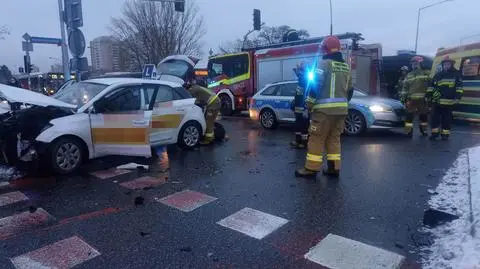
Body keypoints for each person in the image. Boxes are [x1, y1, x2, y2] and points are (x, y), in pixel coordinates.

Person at [295, 36, 353, 178]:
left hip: (323, 112)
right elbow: (350, 89)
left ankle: (311, 168)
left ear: (326, 48)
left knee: (316, 138)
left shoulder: (324, 63)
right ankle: (334, 168)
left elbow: (316, 86)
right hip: (341, 111)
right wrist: (343, 105)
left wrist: (308, 105)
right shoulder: (346, 66)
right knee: (334, 139)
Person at [427, 56, 463, 140]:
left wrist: (458, 97)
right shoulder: (438, 74)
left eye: (448, 64)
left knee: (446, 120)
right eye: (445, 64)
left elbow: (459, 88)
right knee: (434, 119)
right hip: (437, 101)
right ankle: (434, 133)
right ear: (443, 65)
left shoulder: (456, 74)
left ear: (451, 64)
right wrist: (428, 95)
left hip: (448, 102)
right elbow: (431, 86)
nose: (446, 65)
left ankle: (445, 134)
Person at [401, 56, 431, 137]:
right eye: (413, 63)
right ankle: (408, 132)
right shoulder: (409, 74)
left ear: (421, 63)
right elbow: (405, 87)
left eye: (416, 63)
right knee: (409, 117)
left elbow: (431, 85)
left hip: (422, 99)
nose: (414, 65)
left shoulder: (427, 73)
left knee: (423, 117)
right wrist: (403, 98)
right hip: (411, 99)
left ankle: (424, 131)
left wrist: (429, 95)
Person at [184, 79, 221, 145]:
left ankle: (208, 140)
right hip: (215, 102)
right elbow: (200, 99)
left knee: (208, 121)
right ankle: (212, 137)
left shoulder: (192, 90)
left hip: (213, 104)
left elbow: (188, 98)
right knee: (209, 120)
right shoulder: (196, 87)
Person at [290, 62, 309, 149]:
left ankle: (304, 143)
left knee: (304, 125)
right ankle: (298, 141)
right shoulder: (301, 82)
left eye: (300, 71)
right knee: (298, 125)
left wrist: (306, 108)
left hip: (304, 109)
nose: (298, 74)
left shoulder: (305, 82)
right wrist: (294, 102)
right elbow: (299, 95)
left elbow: (306, 96)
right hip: (298, 108)